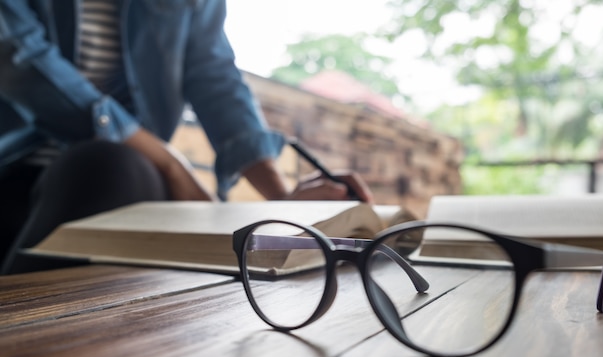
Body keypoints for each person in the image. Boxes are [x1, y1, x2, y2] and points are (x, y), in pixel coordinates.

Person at [0, 0, 373, 275]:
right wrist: (168, 162)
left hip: (132, 184)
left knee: (119, 171)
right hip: (19, 171)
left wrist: (282, 201)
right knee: (107, 164)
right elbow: (20, 61)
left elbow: (215, 78)